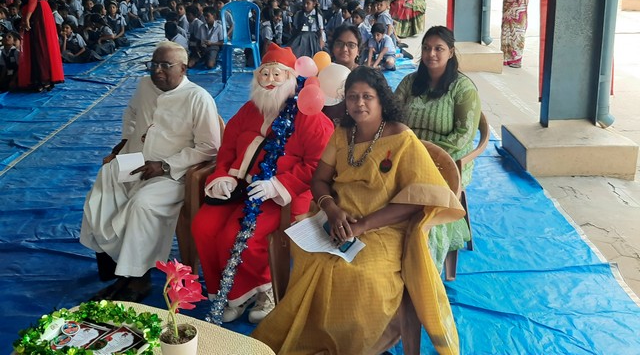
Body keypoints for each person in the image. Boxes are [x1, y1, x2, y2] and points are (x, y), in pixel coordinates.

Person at [253, 66, 464, 354]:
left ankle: (351, 344)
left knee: (363, 276)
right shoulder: (342, 133)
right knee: (312, 259)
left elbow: (418, 198)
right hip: (337, 220)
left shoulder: (402, 138)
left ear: (381, 100)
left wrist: (362, 225)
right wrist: (331, 210)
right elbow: (319, 180)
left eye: (367, 96)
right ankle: (312, 337)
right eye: (352, 97)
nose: (359, 103)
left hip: (383, 227)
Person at [192, 43, 334, 324]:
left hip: (282, 196)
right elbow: (228, 147)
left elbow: (318, 165)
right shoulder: (249, 110)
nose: (269, 80)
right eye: (264, 74)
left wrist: (277, 185)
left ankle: (263, 290)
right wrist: (223, 175)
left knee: (235, 235)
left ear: (290, 78)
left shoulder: (308, 115)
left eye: (277, 74)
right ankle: (228, 293)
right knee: (203, 227)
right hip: (240, 189)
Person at [80, 42, 221, 302]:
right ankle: (115, 267)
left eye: (165, 66)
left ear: (183, 68)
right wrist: (125, 141)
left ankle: (138, 279)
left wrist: (165, 165)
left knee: (141, 205)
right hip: (136, 162)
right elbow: (131, 112)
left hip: (173, 173)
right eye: (153, 64)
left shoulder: (197, 98)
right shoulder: (145, 85)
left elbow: (210, 147)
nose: (157, 71)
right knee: (104, 184)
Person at [395, 25, 481, 269]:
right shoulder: (410, 82)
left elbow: (464, 136)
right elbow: (392, 115)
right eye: (426, 48)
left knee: (429, 204)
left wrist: (427, 155)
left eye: (438, 49)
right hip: (407, 154)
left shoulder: (463, 89)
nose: (431, 54)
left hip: (447, 160)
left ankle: (424, 265)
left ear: (451, 52)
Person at [9, 0, 64, 92]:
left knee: (38, 45)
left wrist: (27, 18)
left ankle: (42, 79)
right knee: (42, 44)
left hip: (37, 13)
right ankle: (45, 78)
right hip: (40, 10)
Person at [495, 0, 529, 68]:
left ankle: (517, 60)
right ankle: (506, 58)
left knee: (517, 35)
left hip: (518, 13)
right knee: (506, 33)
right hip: (507, 11)